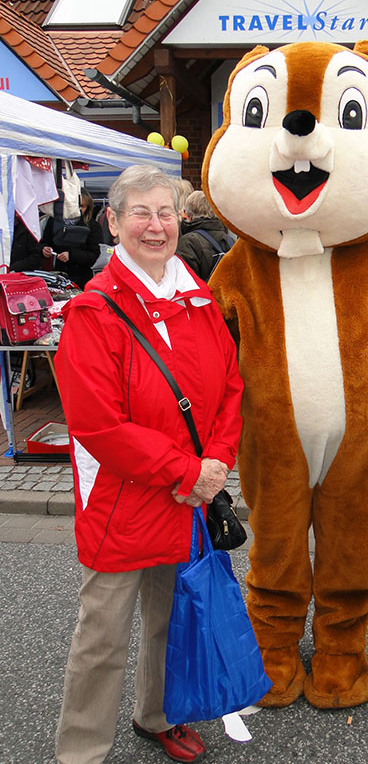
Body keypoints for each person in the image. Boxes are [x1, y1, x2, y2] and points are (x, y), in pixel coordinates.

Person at [54, 165, 244, 764]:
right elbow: (99, 426)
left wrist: (216, 458)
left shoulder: (199, 297)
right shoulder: (94, 312)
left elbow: (231, 386)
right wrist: (189, 473)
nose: (156, 226)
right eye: (141, 213)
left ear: (179, 218)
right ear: (113, 222)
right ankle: (81, 750)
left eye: (165, 212)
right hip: (124, 501)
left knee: (170, 620)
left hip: (188, 495)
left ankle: (157, 714)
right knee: (102, 637)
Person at [41, 187, 102, 288]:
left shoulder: (92, 226)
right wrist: (44, 249)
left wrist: (72, 255)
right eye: (76, 205)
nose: (79, 209)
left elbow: (94, 255)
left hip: (82, 278)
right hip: (59, 276)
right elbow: (45, 242)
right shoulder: (53, 222)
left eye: (82, 206)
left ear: (88, 207)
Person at [176, 190, 233, 281]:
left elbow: (185, 282)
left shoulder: (188, 242)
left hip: (202, 295)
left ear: (189, 215)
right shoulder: (229, 240)